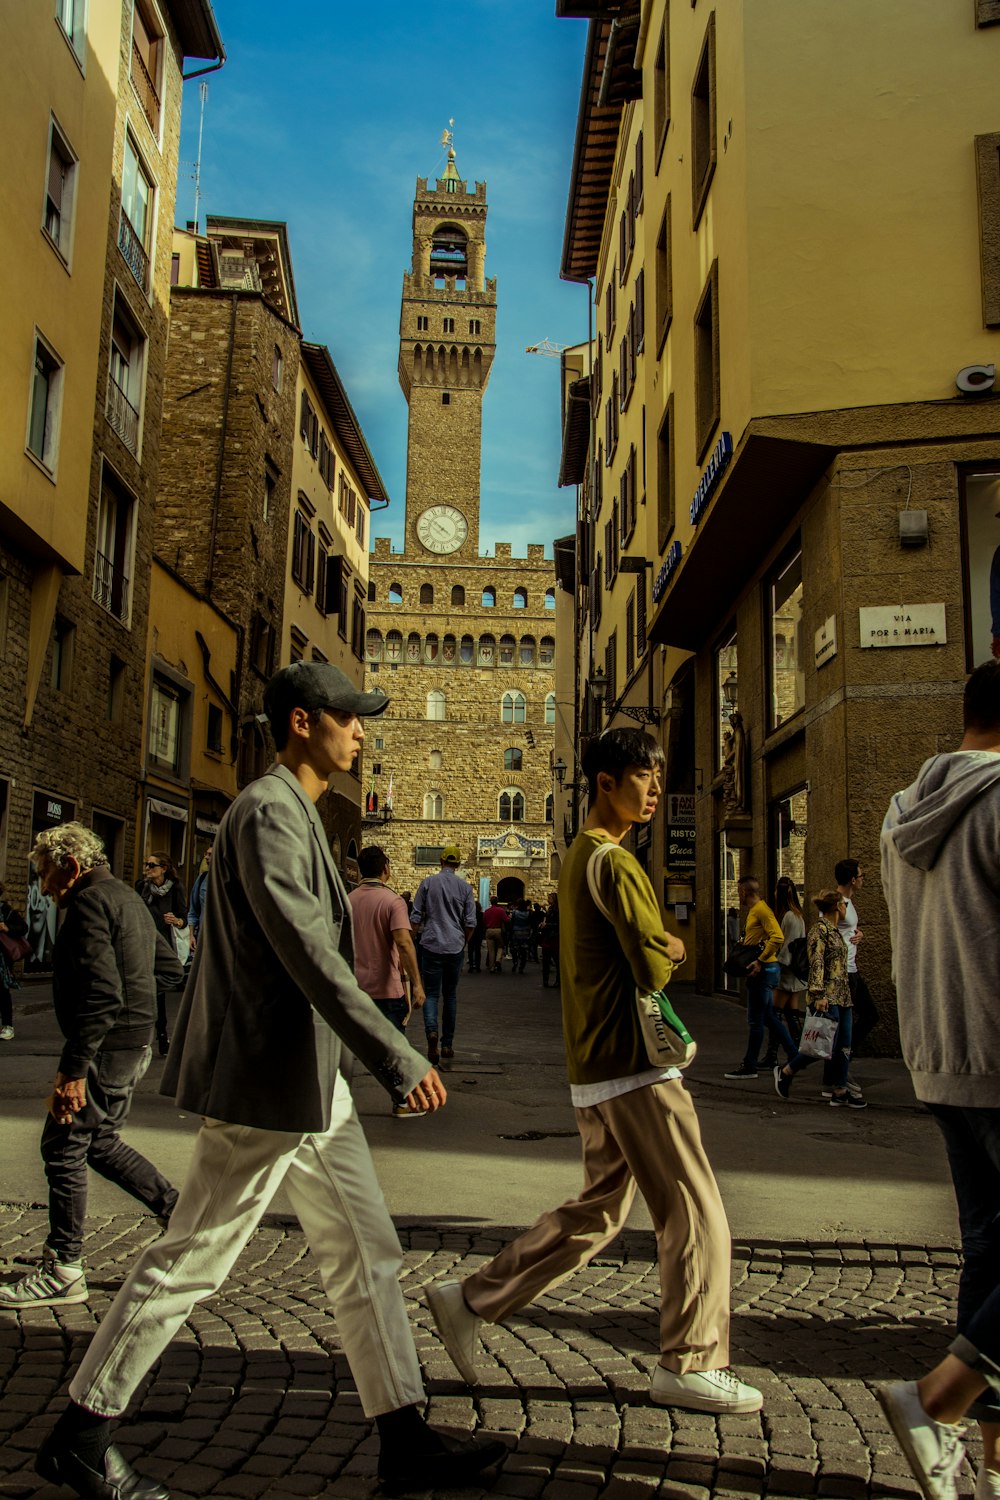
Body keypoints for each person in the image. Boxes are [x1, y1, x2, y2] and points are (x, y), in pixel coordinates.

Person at [33, 663, 505, 1500]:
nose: (362, 730)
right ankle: (83, 1429)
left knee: (367, 1252)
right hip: (265, 1081)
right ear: (301, 721)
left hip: (307, 1081)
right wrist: (397, 1055)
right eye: (349, 717)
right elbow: (308, 954)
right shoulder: (267, 813)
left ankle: (401, 1434)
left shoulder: (296, 814)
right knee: (193, 1257)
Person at [423, 727, 762, 1416]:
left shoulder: (577, 861)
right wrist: (671, 941)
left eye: (660, 777)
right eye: (645, 775)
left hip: (593, 1065)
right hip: (637, 1067)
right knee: (696, 1215)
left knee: (599, 1213)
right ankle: (691, 1363)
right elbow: (656, 962)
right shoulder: (615, 863)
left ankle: (471, 1300)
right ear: (605, 782)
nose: (656, 790)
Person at [876, 659, 1000, 1500]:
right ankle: (937, 1397)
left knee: (990, 1259)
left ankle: (992, 1461)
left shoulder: (898, 814)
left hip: (940, 1060)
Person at [0, 824, 182, 1311]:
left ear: (70, 866)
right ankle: (181, 1217)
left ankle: (63, 1266)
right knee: (97, 1143)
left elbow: (103, 994)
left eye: (45, 874)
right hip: (132, 1042)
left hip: (106, 1047)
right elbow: (168, 969)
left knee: (62, 1147)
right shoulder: (126, 896)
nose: (43, 887)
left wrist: (73, 1069)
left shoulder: (86, 903)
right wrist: (138, 1006)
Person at [348, 846, 427, 1119]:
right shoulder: (393, 902)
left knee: (350, 1046)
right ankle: (402, 1101)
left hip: (355, 987)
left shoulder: (348, 899)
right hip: (386, 987)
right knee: (395, 1047)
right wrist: (417, 983)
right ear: (386, 870)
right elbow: (404, 943)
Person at [773, 889, 864, 1107]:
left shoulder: (834, 931)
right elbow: (817, 964)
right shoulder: (819, 931)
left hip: (843, 996)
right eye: (844, 904)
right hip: (826, 997)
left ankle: (840, 1090)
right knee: (820, 1045)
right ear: (837, 907)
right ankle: (786, 1072)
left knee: (843, 1046)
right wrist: (819, 994)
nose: (846, 908)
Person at [724, 875, 799, 1081]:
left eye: (739, 891)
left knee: (756, 1020)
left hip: (764, 971)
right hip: (767, 969)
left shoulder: (761, 910)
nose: (738, 894)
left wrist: (759, 960)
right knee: (768, 1018)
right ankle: (794, 1055)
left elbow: (777, 936)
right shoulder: (757, 910)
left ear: (744, 892)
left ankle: (750, 1065)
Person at [410, 845, 475, 1063]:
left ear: (440, 861)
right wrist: (462, 941)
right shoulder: (465, 888)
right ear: (457, 864)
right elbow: (470, 922)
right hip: (454, 946)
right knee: (451, 995)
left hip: (430, 944)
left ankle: (431, 1033)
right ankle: (447, 1044)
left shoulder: (428, 883)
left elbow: (416, 916)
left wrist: (411, 941)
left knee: (431, 992)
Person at [135, 852, 189, 1053]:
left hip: (163, 945)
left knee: (157, 992)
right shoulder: (142, 887)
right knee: (143, 989)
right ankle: (144, 1035)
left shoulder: (175, 889)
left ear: (164, 868)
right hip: (141, 943)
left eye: (151, 865)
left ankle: (162, 1034)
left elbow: (184, 917)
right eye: (146, 864)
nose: (147, 869)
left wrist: (175, 920)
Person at [757, 876, 806, 1068]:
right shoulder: (798, 915)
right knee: (791, 1013)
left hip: (787, 971)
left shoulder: (788, 916)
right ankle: (797, 1053)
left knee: (774, 1013)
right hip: (795, 971)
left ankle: (774, 1054)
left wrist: (777, 963)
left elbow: (788, 947)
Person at [0, 878, 28, 1041]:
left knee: (2, 992)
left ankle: (8, 1026)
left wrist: (6, 928)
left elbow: (23, 928)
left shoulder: (5, 909)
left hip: (1, 960)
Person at [186, 844, 213, 953]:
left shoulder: (232, 879)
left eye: (210, 855)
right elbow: (193, 911)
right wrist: (191, 935)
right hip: (203, 939)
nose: (206, 857)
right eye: (205, 854)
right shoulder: (202, 879)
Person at [483, 893, 508, 974]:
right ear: (497, 902)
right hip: (498, 930)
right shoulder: (501, 910)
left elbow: (484, 922)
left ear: (490, 902)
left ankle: (492, 967)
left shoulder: (487, 911)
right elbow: (506, 920)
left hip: (489, 930)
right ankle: (498, 960)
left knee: (491, 950)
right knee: (500, 946)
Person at [540, 891, 560, 989]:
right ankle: (546, 980)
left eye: (549, 898)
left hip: (554, 938)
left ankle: (557, 981)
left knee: (556, 961)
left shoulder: (557, 910)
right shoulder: (551, 909)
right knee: (546, 961)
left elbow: (559, 924)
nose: (547, 900)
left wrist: (547, 925)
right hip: (548, 938)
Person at [508, 898, 533, 974]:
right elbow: (530, 923)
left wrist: (510, 932)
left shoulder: (515, 912)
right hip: (525, 933)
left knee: (514, 949)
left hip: (516, 932)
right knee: (523, 950)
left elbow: (512, 922)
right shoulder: (528, 913)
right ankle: (521, 966)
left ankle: (515, 962)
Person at [467, 896, 484, 973]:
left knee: (470, 950)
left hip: (471, 933)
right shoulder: (481, 914)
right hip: (479, 934)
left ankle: (471, 966)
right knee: (478, 950)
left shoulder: (470, 914)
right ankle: (478, 966)